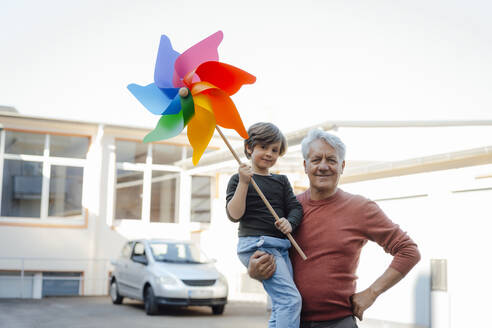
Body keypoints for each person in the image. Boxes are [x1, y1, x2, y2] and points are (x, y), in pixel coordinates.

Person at [248, 129, 421, 328]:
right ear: (305, 166)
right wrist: (255, 272)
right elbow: (268, 256)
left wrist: (372, 293)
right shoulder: (286, 209)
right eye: (316, 160)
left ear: (342, 166)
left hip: (339, 322)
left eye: (331, 160)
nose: (323, 166)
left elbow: (408, 251)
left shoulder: (360, 208)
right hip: (290, 321)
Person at [226, 122, 303, 328]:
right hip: (258, 245)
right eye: (263, 147)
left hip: (280, 247)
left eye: (274, 150)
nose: (269, 153)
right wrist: (243, 183)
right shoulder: (238, 179)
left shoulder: (281, 181)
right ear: (249, 148)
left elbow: (295, 208)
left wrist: (290, 222)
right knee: (290, 300)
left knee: (280, 304)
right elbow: (234, 215)